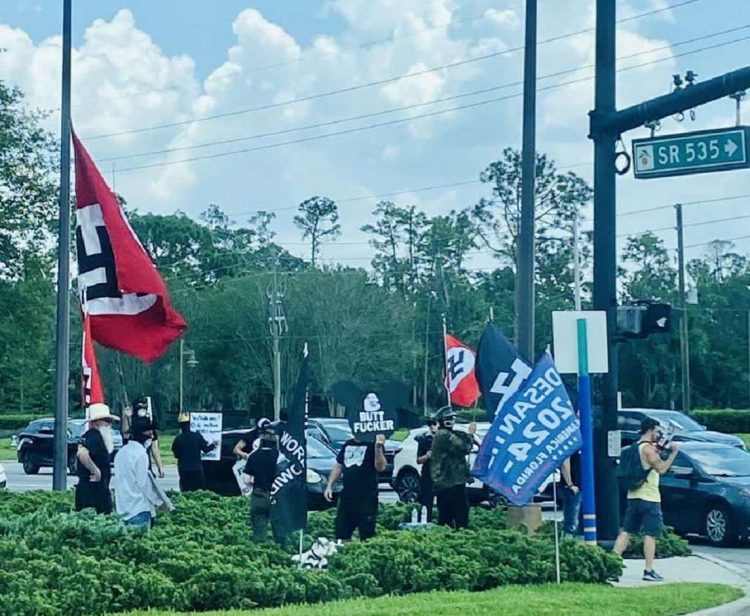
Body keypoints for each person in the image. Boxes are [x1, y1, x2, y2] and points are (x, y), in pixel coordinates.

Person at [613, 417, 679, 582]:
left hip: (633, 495)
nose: (659, 434)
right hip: (649, 498)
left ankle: (611, 565)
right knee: (651, 534)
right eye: (658, 431)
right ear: (650, 430)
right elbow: (662, 469)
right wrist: (673, 453)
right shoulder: (649, 450)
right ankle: (648, 570)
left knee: (627, 531)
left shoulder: (636, 447)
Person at [324, 433, 387, 541]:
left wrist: (378, 447)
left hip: (367, 497)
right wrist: (329, 486)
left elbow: (380, 467)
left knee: (367, 533)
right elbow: (339, 466)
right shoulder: (347, 444)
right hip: (347, 495)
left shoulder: (372, 444)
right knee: (341, 532)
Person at [113, 416, 164, 528]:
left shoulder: (121, 453)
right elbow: (143, 484)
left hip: (122, 509)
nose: (151, 436)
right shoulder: (141, 455)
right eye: (150, 434)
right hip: (139, 509)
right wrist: (160, 502)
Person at [430, 407, 475, 530]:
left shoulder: (446, 434)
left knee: (449, 517)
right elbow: (464, 448)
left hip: (449, 482)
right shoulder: (444, 435)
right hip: (449, 483)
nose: (452, 421)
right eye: (449, 418)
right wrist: (470, 434)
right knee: (458, 517)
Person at [75, 403, 119, 514]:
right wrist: (95, 471)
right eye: (106, 421)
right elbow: (82, 454)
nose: (109, 425)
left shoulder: (92, 436)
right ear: (96, 422)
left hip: (94, 489)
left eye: (109, 421)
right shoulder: (94, 435)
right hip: (93, 491)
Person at [242, 425, 279, 542]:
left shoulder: (253, 456)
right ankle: (280, 548)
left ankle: (262, 547)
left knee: (259, 525)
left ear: (261, 441)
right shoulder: (280, 456)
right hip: (278, 495)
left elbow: (246, 479)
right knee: (279, 526)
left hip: (259, 494)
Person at [171, 412, 215, 492]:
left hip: (183, 469)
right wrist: (214, 445)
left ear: (180, 426)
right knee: (199, 491)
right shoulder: (197, 436)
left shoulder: (178, 439)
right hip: (196, 468)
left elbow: (176, 455)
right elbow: (206, 449)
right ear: (190, 424)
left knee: (185, 491)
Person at [132, 396, 165, 478]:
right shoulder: (132, 426)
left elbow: (155, 449)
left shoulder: (150, 427)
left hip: (147, 469)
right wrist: (126, 417)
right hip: (133, 469)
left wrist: (160, 467)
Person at [416, 418, 439, 522]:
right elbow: (418, 460)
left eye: (435, 424)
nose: (433, 427)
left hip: (441, 474)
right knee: (426, 500)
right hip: (428, 474)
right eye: (431, 425)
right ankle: (426, 520)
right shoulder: (425, 440)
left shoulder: (443, 439)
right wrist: (427, 456)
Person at [561, 451, 582, 537]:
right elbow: (565, 463)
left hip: (579, 486)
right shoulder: (572, 444)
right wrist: (570, 484)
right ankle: (568, 543)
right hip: (573, 487)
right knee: (572, 520)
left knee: (578, 518)